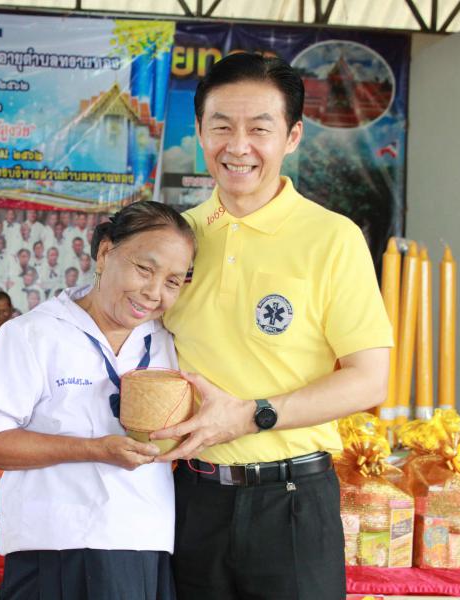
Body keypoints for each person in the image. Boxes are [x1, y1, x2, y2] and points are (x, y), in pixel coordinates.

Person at [149, 53, 392, 600]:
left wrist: (250, 415)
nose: (238, 147)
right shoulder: (176, 238)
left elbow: (368, 379)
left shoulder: (332, 238)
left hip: (293, 501)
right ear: (200, 132)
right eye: (221, 127)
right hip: (190, 499)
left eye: (259, 129)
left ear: (293, 136)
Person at [0, 201, 195, 599]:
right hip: (56, 546)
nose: (154, 293)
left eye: (172, 281)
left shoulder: (170, 341)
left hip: (144, 542)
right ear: (105, 252)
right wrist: (94, 449)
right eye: (144, 269)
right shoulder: (34, 334)